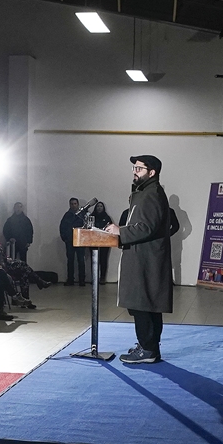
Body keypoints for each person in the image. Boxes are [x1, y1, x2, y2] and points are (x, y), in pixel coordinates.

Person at [104, 155, 172, 364]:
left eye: (139, 169)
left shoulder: (152, 193)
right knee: (145, 304)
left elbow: (147, 227)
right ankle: (148, 347)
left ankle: (148, 350)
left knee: (142, 303)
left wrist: (120, 231)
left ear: (152, 173)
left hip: (146, 258)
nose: (135, 171)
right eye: (134, 168)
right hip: (143, 256)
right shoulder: (144, 192)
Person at [59, 198, 87, 286]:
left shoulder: (82, 215)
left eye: (75, 204)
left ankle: (82, 280)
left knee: (81, 261)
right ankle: (70, 279)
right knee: (70, 261)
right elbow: (62, 227)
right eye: (72, 204)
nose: (73, 205)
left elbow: (86, 227)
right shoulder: (67, 215)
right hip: (70, 241)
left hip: (80, 241)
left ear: (78, 204)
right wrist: (65, 238)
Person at [92, 202, 113, 284]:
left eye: (101, 206)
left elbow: (110, 228)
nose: (99, 208)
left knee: (103, 260)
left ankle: (102, 277)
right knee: (94, 260)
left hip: (105, 241)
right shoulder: (92, 216)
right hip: (93, 241)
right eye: (98, 206)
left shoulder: (107, 217)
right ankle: (94, 278)